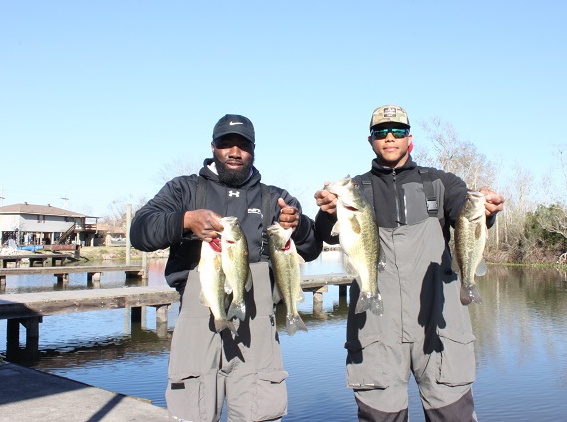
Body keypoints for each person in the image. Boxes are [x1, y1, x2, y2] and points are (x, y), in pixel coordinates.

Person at [314, 104, 505, 421]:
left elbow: (464, 211)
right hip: (376, 327)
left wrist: (485, 210)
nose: (390, 137)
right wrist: (327, 213)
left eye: (398, 130)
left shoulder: (442, 183)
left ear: (410, 138)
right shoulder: (356, 190)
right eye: (381, 131)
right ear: (370, 140)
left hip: (440, 325)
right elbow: (325, 235)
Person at [130, 114, 323, 421]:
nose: (234, 152)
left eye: (243, 145)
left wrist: (297, 227)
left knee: (259, 411)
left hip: (257, 322)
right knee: (192, 411)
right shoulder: (183, 190)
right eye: (226, 144)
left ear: (254, 150)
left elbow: (312, 248)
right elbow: (140, 232)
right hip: (198, 318)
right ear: (213, 147)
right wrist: (184, 221)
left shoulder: (275, 198)